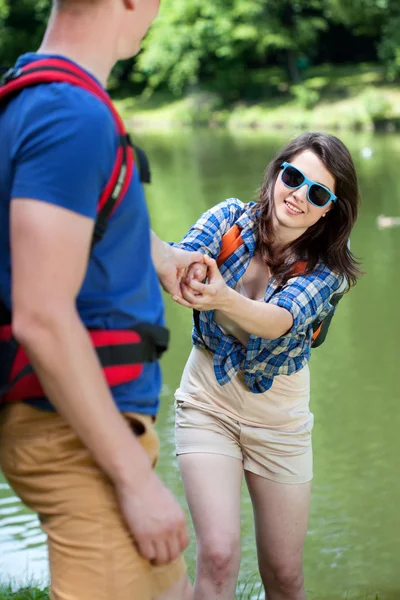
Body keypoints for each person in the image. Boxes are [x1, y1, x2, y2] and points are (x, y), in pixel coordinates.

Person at [0, 1, 202, 599]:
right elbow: (40, 316)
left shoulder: (30, 96)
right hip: (77, 433)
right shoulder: (71, 114)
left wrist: (162, 257)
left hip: (79, 426)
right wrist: (133, 482)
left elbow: (60, 219)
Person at [171, 132, 362, 600]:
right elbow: (184, 253)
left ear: (329, 209)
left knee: (284, 576)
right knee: (216, 557)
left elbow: (278, 321)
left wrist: (219, 297)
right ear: (277, 173)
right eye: (292, 178)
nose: (297, 195)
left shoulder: (329, 271)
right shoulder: (228, 218)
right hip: (207, 400)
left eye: (317, 193)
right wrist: (169, 258)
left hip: (280, 421)